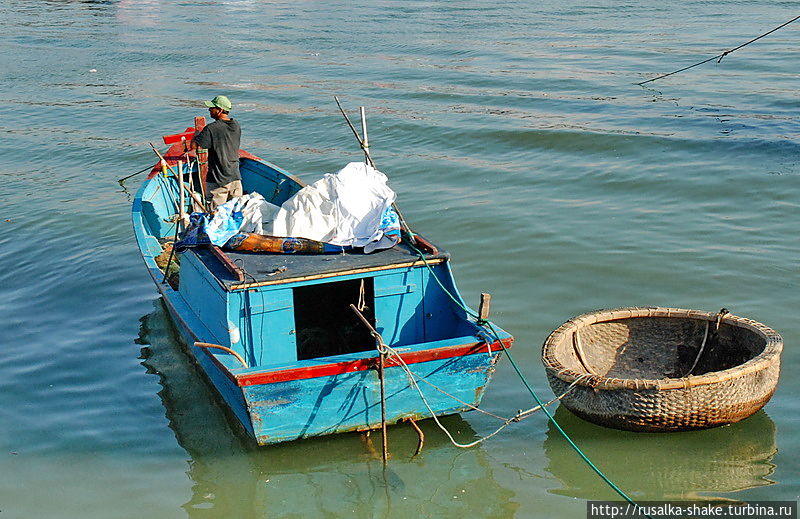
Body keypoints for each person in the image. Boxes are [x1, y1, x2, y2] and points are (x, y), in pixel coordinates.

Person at [192, 95, 242, 211]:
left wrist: (197, 134)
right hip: (235, 177)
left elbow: (194, 146)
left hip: (218, 180)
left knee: (215, 216)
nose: (209, 110)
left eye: (212, 108)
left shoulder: (211, 128)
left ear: (219, 110)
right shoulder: (236, 125)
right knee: (235, 212)